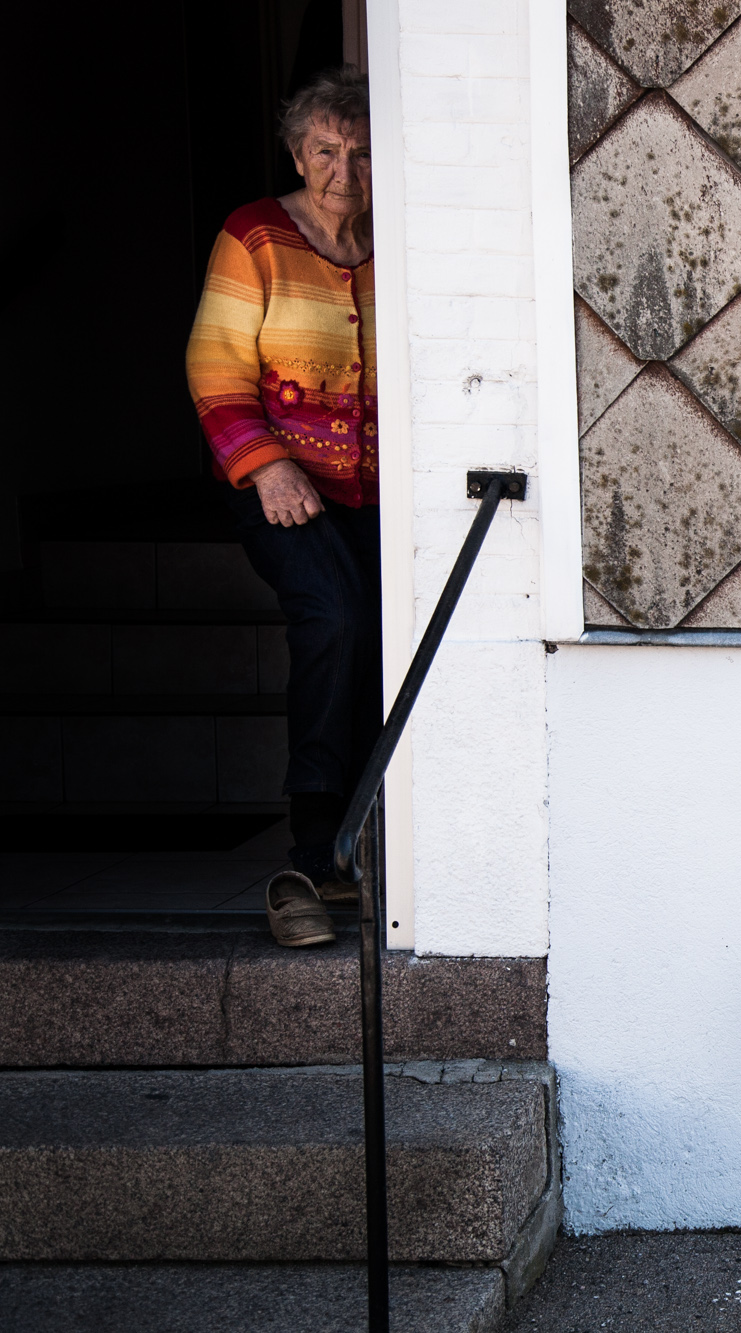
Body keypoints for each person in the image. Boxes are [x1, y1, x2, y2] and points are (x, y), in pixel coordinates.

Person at [186, 67, 378, 948]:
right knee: (333, 620)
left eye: (363, 152)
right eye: (327, 150)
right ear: (298, 152)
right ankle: (310, 855)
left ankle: (366, 851)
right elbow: (216, 369)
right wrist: (268, 469)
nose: (344, 168)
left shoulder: (400, 241)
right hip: (286, 491)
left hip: (382, 496)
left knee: (387, 642)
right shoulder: (255, 234)